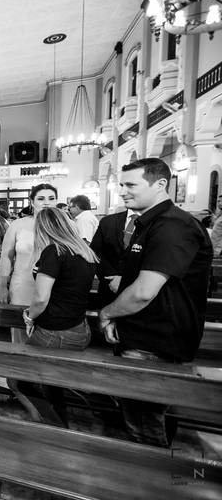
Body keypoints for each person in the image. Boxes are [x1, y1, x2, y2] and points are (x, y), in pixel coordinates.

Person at [98, 158, 212, 447]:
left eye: (130, 185)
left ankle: (150, 471)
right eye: (121, 184)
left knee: (145, 429)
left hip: (156, 341)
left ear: (160, 184)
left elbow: (143, 291)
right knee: (141, 418)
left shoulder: (173, 226)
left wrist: (107, 313)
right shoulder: (149, 222)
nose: (122, 191)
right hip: (143, 334)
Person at [18, 207, 98, 426]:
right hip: (79, 328)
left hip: (56, 332)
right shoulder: (84, 251)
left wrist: (29, 317)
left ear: (43, 228)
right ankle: (58, 423)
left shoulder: (55, 251)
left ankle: (52, 426)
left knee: (18, 377)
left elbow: (41, 298)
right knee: (52, 385)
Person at [0, 184, 58, 307]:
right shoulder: (17, 225)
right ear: (32, 202)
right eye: (41, 199)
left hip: (56, 286)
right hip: (22, 284)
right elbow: (6, 257)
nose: (46, 203)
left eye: (51, 198)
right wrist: (2, 286)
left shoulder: (66, 226)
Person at [90, 207, 134, 308]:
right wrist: (112, 278)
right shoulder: (108, 221)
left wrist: (125, 280)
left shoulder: (159, 222)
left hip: (141, 289)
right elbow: (95, 252)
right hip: (109, 287)